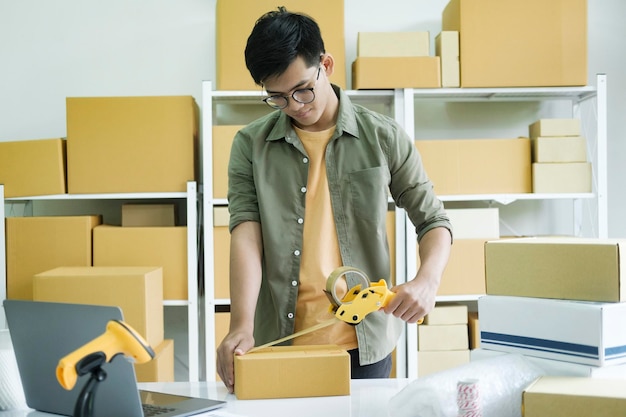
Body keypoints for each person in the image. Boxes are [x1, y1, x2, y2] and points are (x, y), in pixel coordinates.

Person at [216, 7, 452, 392]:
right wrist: (240, 325)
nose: (294, 105)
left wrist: (428, 280)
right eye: (277, 97)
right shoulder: (250, 145)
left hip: (363, 347)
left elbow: (434, 220)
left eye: (302, 89)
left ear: (325, 64)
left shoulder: (383, 136)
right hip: (280, 341)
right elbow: (246, 233)